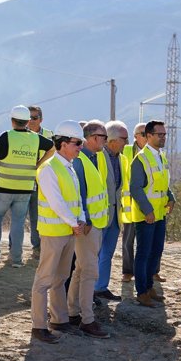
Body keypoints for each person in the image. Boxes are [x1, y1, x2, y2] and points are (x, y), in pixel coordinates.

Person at [29, 120, 86, 343]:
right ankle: (39, 326)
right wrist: (75, 222)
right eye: (77, 143)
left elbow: (76, 199)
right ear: (63, 143)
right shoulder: (48, 169)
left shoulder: (69, 167)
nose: (80, 147)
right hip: (54, 232)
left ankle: (59, 321)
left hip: (68, 231)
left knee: (61, 278)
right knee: (44, 280)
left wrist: (80, 219)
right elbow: (56, 202)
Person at [0, 105, 53, 267]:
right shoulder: (36, 138)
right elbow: (52, 147)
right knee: (18, 222)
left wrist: (5, 154)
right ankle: (17, 259)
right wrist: (38, 163)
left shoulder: (7, 136)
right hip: (25, 188)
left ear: (12, 121)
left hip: (4, 187)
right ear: (27, 121)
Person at [65, 120, 110, 338]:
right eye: (103, 137)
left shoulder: (93, 158)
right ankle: (87, 319)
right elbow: (79, 193)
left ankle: (73, 312)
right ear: (92, 138)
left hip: (94, 224)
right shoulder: (81, 161)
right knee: (89, 271)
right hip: (88, 226)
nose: (105, 141)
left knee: (81, 269)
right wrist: (87, 220)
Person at [129, 120, 175, 308]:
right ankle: (141, 292)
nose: (163, 137)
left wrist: (171, 197)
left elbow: (163, 183)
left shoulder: (161, 156)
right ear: (148, 136)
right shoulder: (141, 159)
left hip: (159, 214)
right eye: (159, 134)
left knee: (156, 252)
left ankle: (149, 287)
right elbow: (135, 188)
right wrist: (147, 210)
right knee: (144, 254)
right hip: (146, 216)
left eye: (164, 134)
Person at [94, 120, 129, 301]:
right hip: (100, 215)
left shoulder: (122, 159)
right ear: (112, 140)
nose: (127, 142)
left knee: (107, 253)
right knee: (95, 254)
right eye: (124, 138)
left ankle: (101, 287)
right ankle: (90, 289)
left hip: (115, 216)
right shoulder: (98, 156)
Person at [120, 122, 147, 282]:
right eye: (143, 133)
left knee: (149, 241)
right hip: (130, 203)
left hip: (149, 203)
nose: (147, 136)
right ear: (136, 136)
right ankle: (128, 271)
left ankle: (152, 271)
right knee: (128, 240)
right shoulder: (126, 150)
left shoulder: (156, 152)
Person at [26, 105, 53, 260]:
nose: (31, 120)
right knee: (19, 217)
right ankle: (13, 249)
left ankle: (37, 248)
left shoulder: (50, 135)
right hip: (22, 182)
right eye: (28, 117)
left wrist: (38, 166)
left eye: (34, 117)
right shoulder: (20, 134)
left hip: (42, 184)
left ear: (41, 120)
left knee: (37, 217)